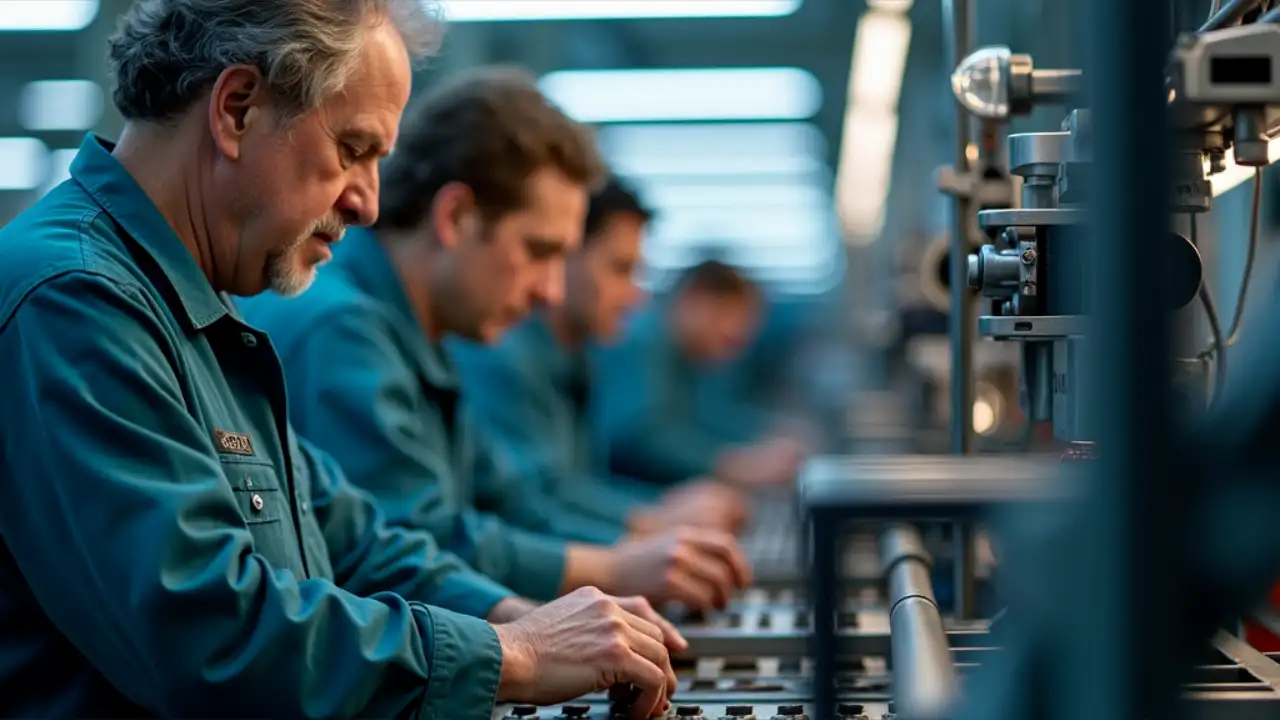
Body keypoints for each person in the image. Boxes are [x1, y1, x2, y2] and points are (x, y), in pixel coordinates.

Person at [0, 2, 682, 718]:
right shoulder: (74, 302)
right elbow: (207, 632)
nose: (368, 203)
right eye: (353, 150)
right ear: (237, 109)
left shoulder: (199, 312)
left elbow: (354, 540)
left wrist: (530, 618)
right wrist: (515, 654)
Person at [239, 67, 752, 614]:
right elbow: (404, 541)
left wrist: (639, 539)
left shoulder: (424, 332)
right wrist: (601, 575)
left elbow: (510, 501)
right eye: (538, 252)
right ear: (456, 217)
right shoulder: (342, 329)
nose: (550, 292)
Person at [449, 175, 751, 544]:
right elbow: (527, 505)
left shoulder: (574, 358)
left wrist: (655, 516)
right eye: (621, 269)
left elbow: (570, 485)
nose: (636, 297)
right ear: (566, 254)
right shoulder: (499, 354)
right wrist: (650, 525)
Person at [599, 258, 809, 488]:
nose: (731, 356)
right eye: (729, 341)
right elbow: (639, 438)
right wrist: (735, 465)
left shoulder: (678, 351)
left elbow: (700, 418)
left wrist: (764, 431)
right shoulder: (640, 342)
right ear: (695, 300)